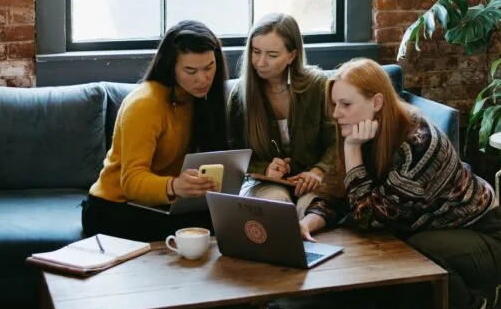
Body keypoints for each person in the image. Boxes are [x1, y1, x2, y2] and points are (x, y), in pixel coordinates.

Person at [302, 59, 501, 309]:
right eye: (334, 105)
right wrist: (310, 220)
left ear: (376, 101)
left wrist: (352, 150)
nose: (336, 114)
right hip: (431, 228)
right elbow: (339, 190)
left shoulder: (419, 143)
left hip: (485, 236)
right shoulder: (361, 129)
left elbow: (368, 216)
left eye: (345, 104)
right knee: (361, 241)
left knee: (414, 248)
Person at [82, 20, 229, 241]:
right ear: (171, 68)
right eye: (190, 70)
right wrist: (175, 185)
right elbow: (131, 181)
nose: (203, 79)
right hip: (113, 207)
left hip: (162, 204)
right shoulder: (145, 104)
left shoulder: (201, 98)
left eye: (209, 67)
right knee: (204, 228)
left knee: (231, 218)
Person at [227, 13, 337, 218]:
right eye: (256, 52)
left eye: (272, 55)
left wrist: (318, 171)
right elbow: (234, 154)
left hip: (314, 178)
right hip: (264, 182)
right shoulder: (240, 94)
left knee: (310, 209)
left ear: (292, 55)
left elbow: (337, 140)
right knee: (276, 204)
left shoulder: (318, 86)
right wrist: (265, 169)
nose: (260, 62)